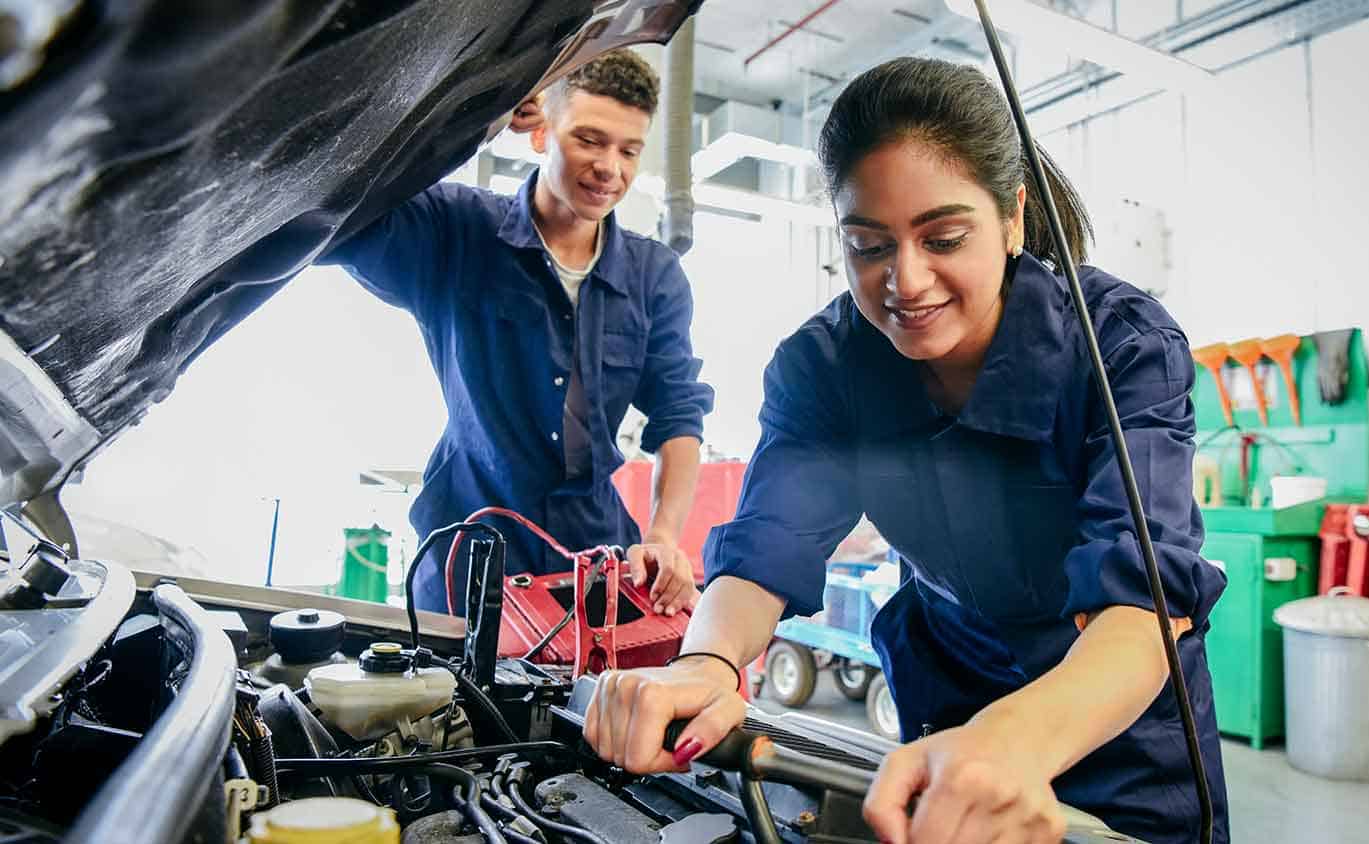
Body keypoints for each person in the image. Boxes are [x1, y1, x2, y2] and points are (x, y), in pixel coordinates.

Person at [581, 57, 1230, 844]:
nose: (907, 281)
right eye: (868, 246)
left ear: (1014, 216)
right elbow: (766, 548)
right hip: (948, 701)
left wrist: (1011, 744)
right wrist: (707, 663)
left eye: (944, 237)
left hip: (1116, 720)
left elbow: (1144, 605)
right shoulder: (825, 366)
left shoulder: (1121, 346)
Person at [325, 51, 713, 616]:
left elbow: (679, 413)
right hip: (468, 560)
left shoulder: (655, 278)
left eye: (629, 150)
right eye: (589, 139)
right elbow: (343, 204)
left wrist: (662, 535)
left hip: (593, 562)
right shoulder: (456, 232)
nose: (611, 168)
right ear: (540, 134)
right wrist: (474, 118)